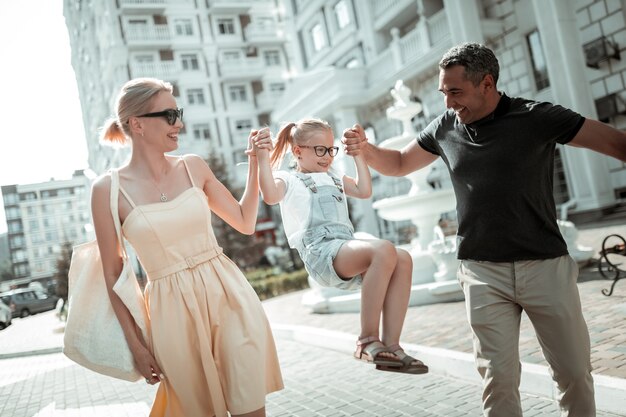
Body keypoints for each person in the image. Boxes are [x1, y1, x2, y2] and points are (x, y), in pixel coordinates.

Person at [343, 42, 626, 416]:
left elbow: (614, 142)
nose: (448, 103)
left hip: (545, 266)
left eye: (456, 92)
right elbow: (397, 163)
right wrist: (366, 149)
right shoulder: (445, 126)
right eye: (444, 93)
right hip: (481, 271)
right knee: (498, 377)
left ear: (487, 83)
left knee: (573, 373)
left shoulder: (537, 116)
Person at [91, 77, 283, 417]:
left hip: (229, 297)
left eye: (177, 112)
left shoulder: (193, 166)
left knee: (250, 409)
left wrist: (257, 162)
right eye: (168, 114)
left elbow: (244, 220)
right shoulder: (107, 189)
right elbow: (113, 274)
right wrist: (136, 345)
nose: (179, 123)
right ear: (137, 124)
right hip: (170, 315)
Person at [253, 118, 428, 374]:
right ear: (298, 150)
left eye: (330, 150)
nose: (326, 157)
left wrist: (357, 154)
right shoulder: (288, 180)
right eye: (319, 150)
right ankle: (367, 340)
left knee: (403, 258)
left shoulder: (333, 176)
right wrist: (261, 157)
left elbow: (364, 190)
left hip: (344, 248)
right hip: (320, 253)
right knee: (383, 248)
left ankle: (392, 346)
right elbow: (269, 195)